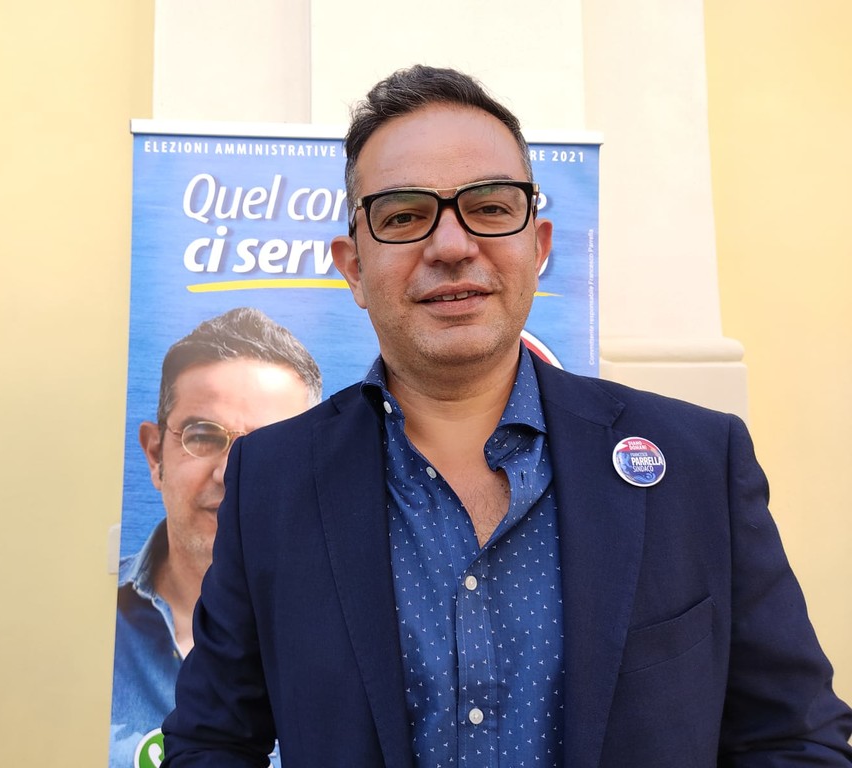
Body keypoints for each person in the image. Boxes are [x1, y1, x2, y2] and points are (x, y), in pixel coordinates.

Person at [161, 66, 852, 767]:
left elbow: (793, 739)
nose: (451, 246)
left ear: (539, 246)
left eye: (490, 208)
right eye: (403, 216)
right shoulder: (272, 481)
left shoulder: (696, 465)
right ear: (354, 268)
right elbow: (212, 742)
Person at [109, 307, 322, 768]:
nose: (230, 473)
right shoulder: (71, 624)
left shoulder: (358, 643)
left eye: (268, 447)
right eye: (204, 436)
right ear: (154, 454)